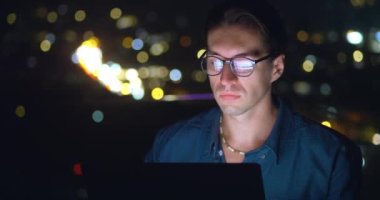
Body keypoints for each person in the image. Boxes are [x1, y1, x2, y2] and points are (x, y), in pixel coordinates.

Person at [145, 0, 362, 198]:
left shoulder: (330, 157)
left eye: (243, 63)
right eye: (216, 62)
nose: (225, 78)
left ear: (276, 68)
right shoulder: (172, 147)